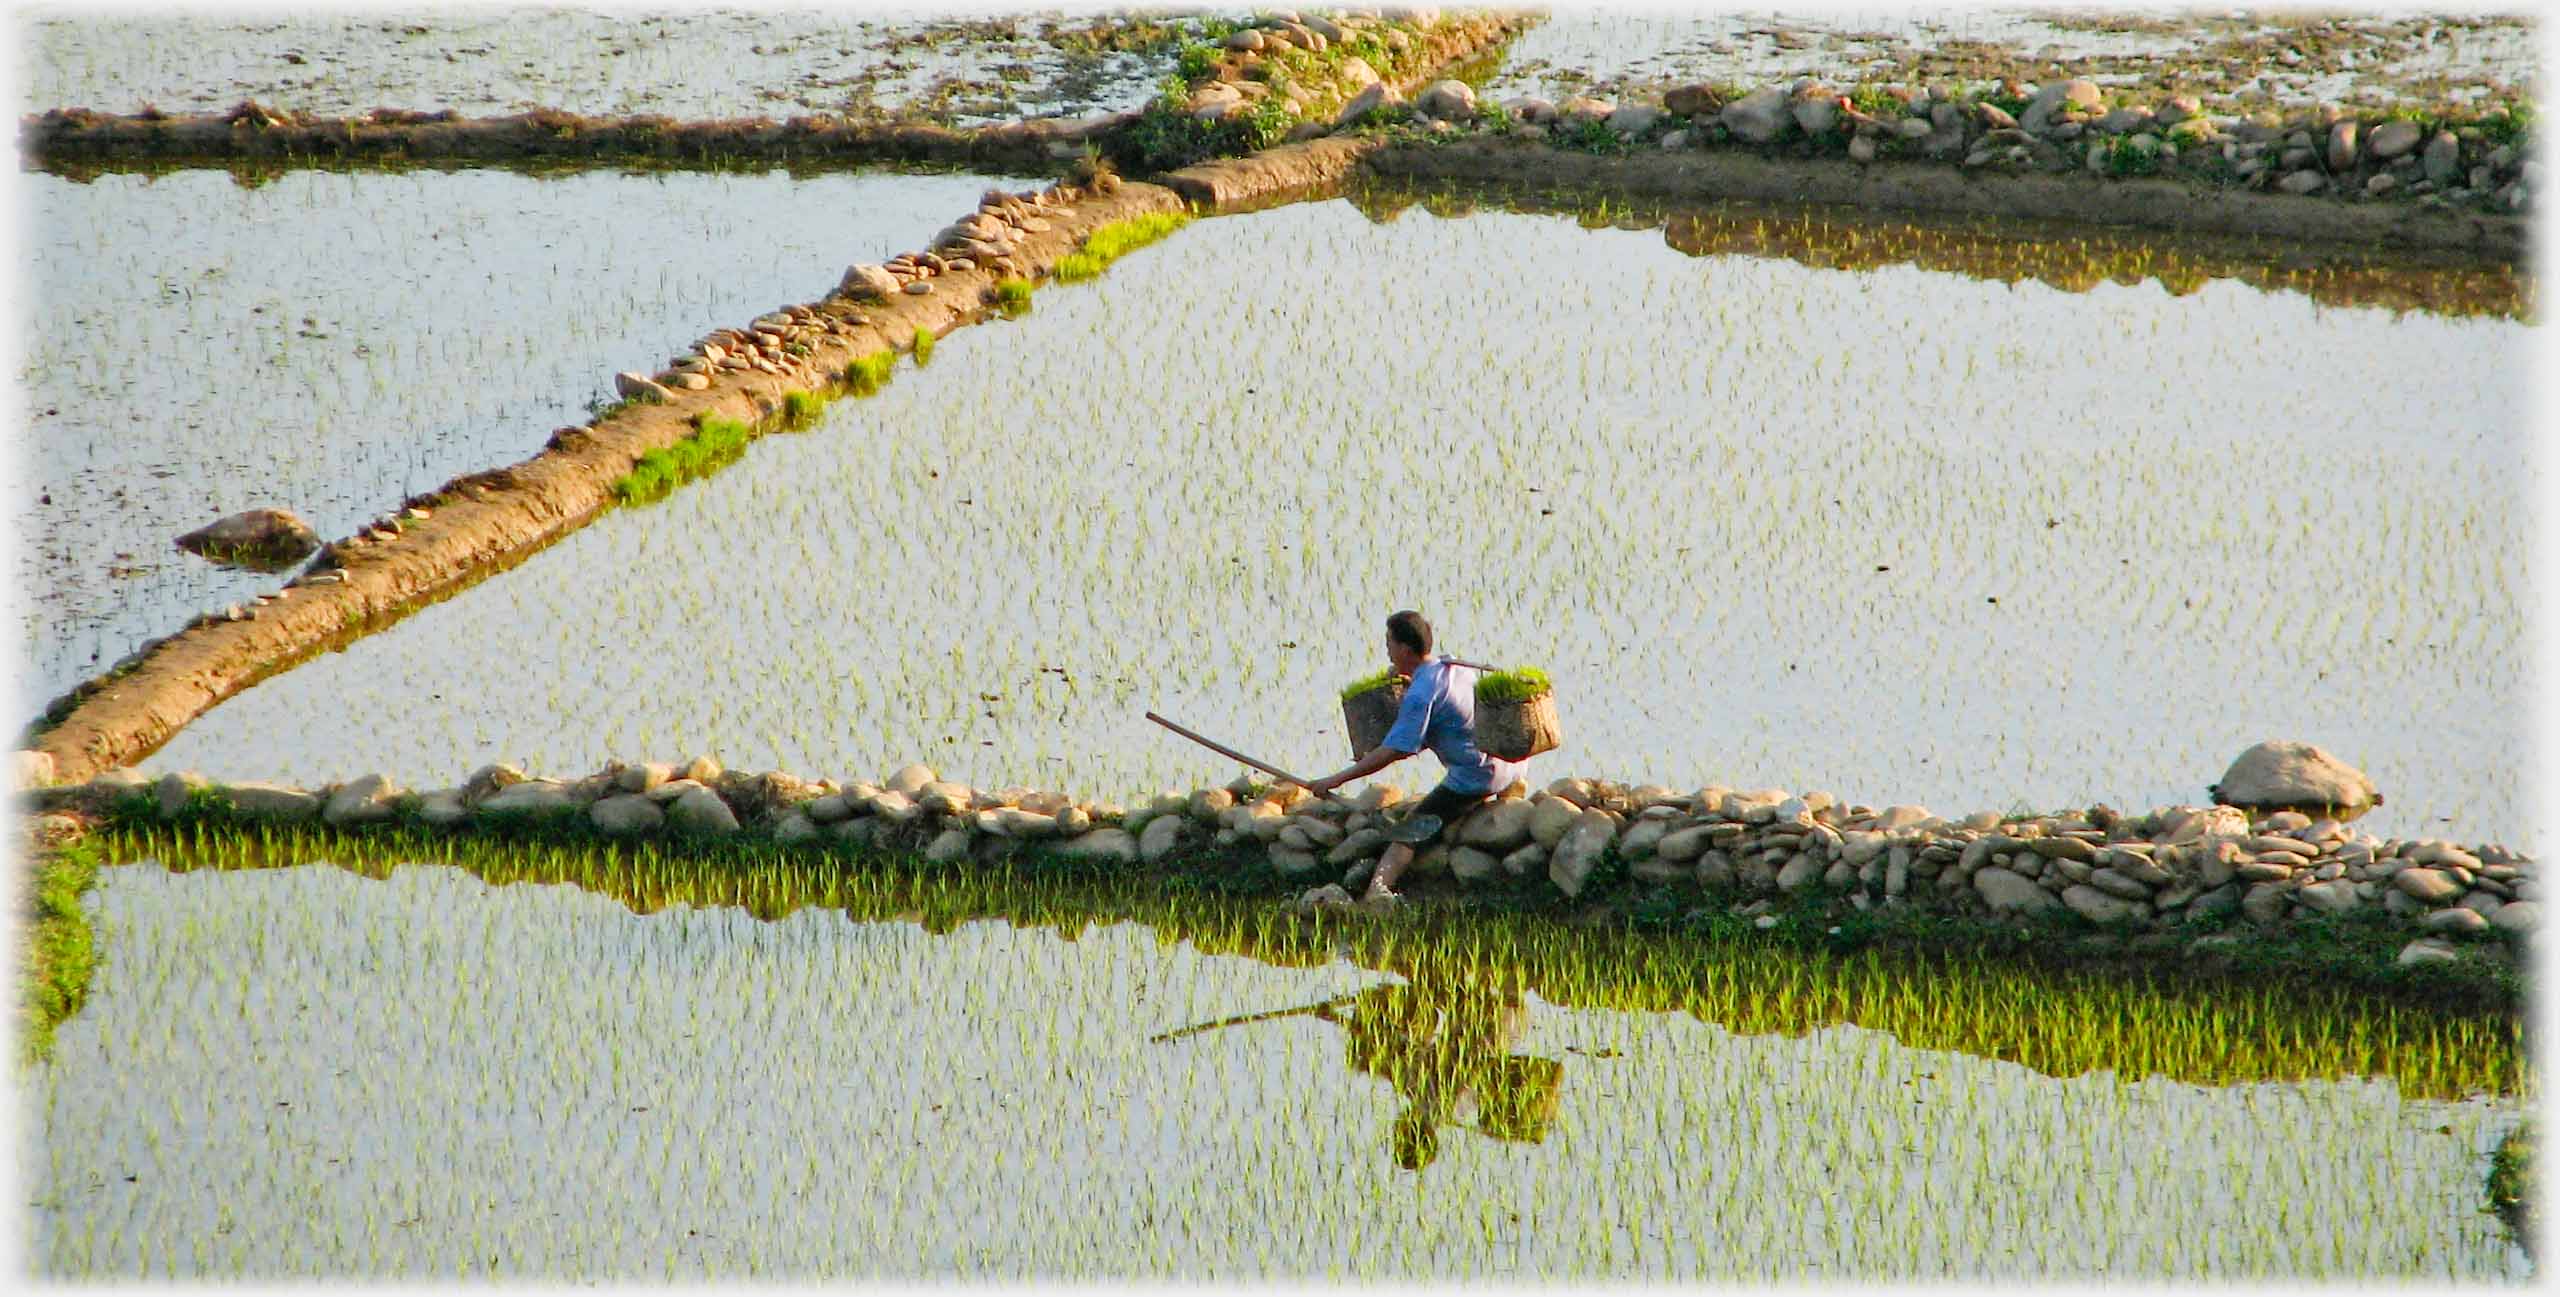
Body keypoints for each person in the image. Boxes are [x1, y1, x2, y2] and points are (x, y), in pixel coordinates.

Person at [1308, 610, 1526, 907]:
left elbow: (1396, 750)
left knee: (1410, 830)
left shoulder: (1421, 694)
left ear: (1404, 650)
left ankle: (1377, 892)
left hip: (1476, 777)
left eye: (1389, 644)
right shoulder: (1454, 668)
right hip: (1512, 764)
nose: (1386, 650)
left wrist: (1334, 780)